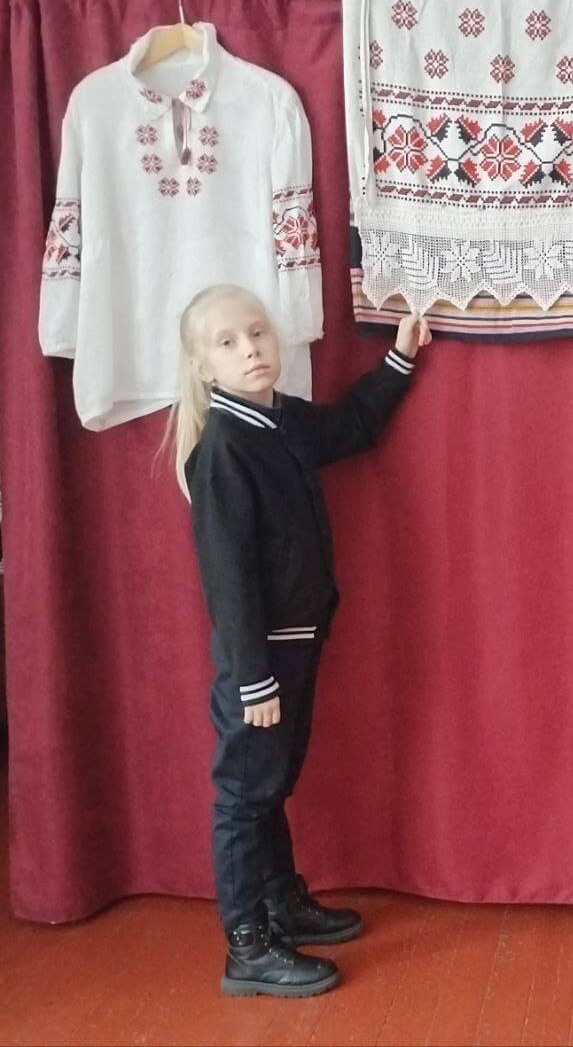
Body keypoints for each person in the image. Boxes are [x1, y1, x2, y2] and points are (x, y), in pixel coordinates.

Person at [168, 283, 427, 996]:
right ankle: (247, 946)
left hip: (295, 642)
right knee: (244, 796)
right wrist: (254, 679)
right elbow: (228, 580)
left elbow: (352, 426)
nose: (250, 349)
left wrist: (400, 358)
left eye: (257, 333)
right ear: (202, 366)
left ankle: (280, 901)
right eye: (227, 343)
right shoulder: (225, 449)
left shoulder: (278, 420)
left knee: (271, 783)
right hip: (261, 659)